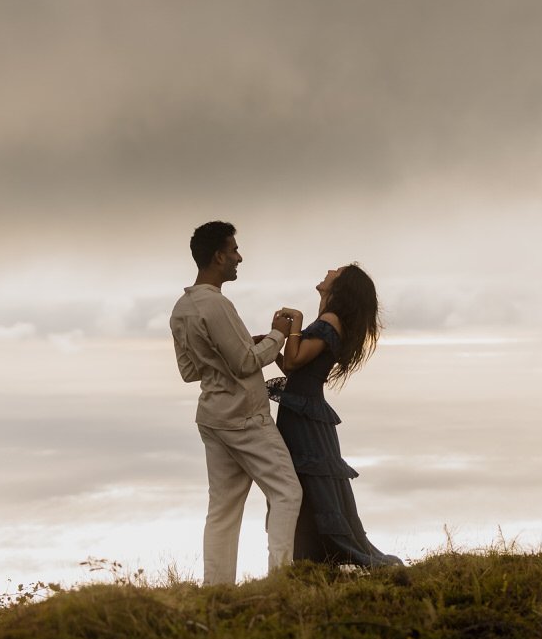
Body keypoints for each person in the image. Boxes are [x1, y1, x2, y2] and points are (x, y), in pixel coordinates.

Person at [170, 221, 305, 585]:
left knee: (223, 510)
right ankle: (280, 579)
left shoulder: (182, 308)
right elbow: (244, 363)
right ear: (217, 256)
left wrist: (245, 344)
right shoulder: (216, 304)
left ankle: (216, 589)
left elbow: (189, 370)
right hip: (244, 418)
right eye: (233, 251)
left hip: (212, 417)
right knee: (288, 492)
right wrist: (278, 333)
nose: (238, 258)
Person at [268, 263, 402, 567]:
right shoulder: (330, 320)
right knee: (306, 484)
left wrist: (296, 323)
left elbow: (295, 359)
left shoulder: (330, 320)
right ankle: (310, 559)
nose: (329, 270)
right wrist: (271, 348)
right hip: (301, 410)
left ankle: (314, 557)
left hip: (303, 416)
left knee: (306, 484)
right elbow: (293, 368)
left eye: (336, 271)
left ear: (341, 286)